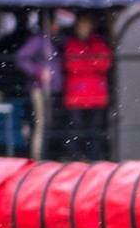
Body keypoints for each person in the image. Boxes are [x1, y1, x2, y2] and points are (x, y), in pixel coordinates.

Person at [62, 12, 110, 161]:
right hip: (77, 95)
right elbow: (72, 66)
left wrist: (85, 63)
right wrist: (92, 63)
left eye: (86, 25)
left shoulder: (99, 44)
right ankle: (75, 158)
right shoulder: (71, 45)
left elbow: (105, 64)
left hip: (95, 95)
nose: (83, 29)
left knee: (94, 131)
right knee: (76, 130)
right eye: (81, 26)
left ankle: (93, 157)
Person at [16, 13, 63, 159]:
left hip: (50, 89)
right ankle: (38, 156)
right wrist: (38, 72)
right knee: (41, 122)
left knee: (46, 122)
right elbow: (21, 57)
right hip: (40, 89)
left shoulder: (51, 41)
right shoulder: (39, 41)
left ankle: (45, 153)